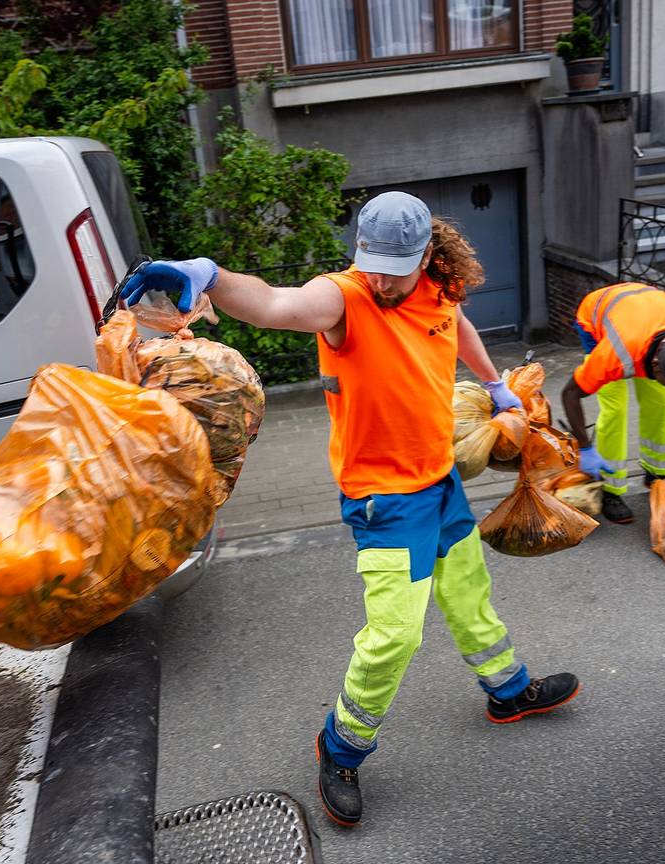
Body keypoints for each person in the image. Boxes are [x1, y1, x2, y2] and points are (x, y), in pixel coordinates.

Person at [120, 192, 581, 827]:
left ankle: (508, 692)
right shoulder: (345, 299)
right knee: (395, 634)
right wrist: (210, 275)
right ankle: (339, 750)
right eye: (375, 264)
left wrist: (496, 382)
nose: (387, 279)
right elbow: (278, 303)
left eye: (400, 266)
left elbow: (457, 324)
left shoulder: (436, 290)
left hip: (439, 481)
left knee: (469, 590)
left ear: (426, 255)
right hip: (383, 499)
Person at [561, 275, 665, 525]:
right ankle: (611, 489)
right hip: (599, 318)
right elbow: (570, 394)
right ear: (655, 365)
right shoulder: (614, 354)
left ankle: (658, 475)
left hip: (647, 312)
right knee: (616, 409)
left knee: (658, 401)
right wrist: (585, 448)